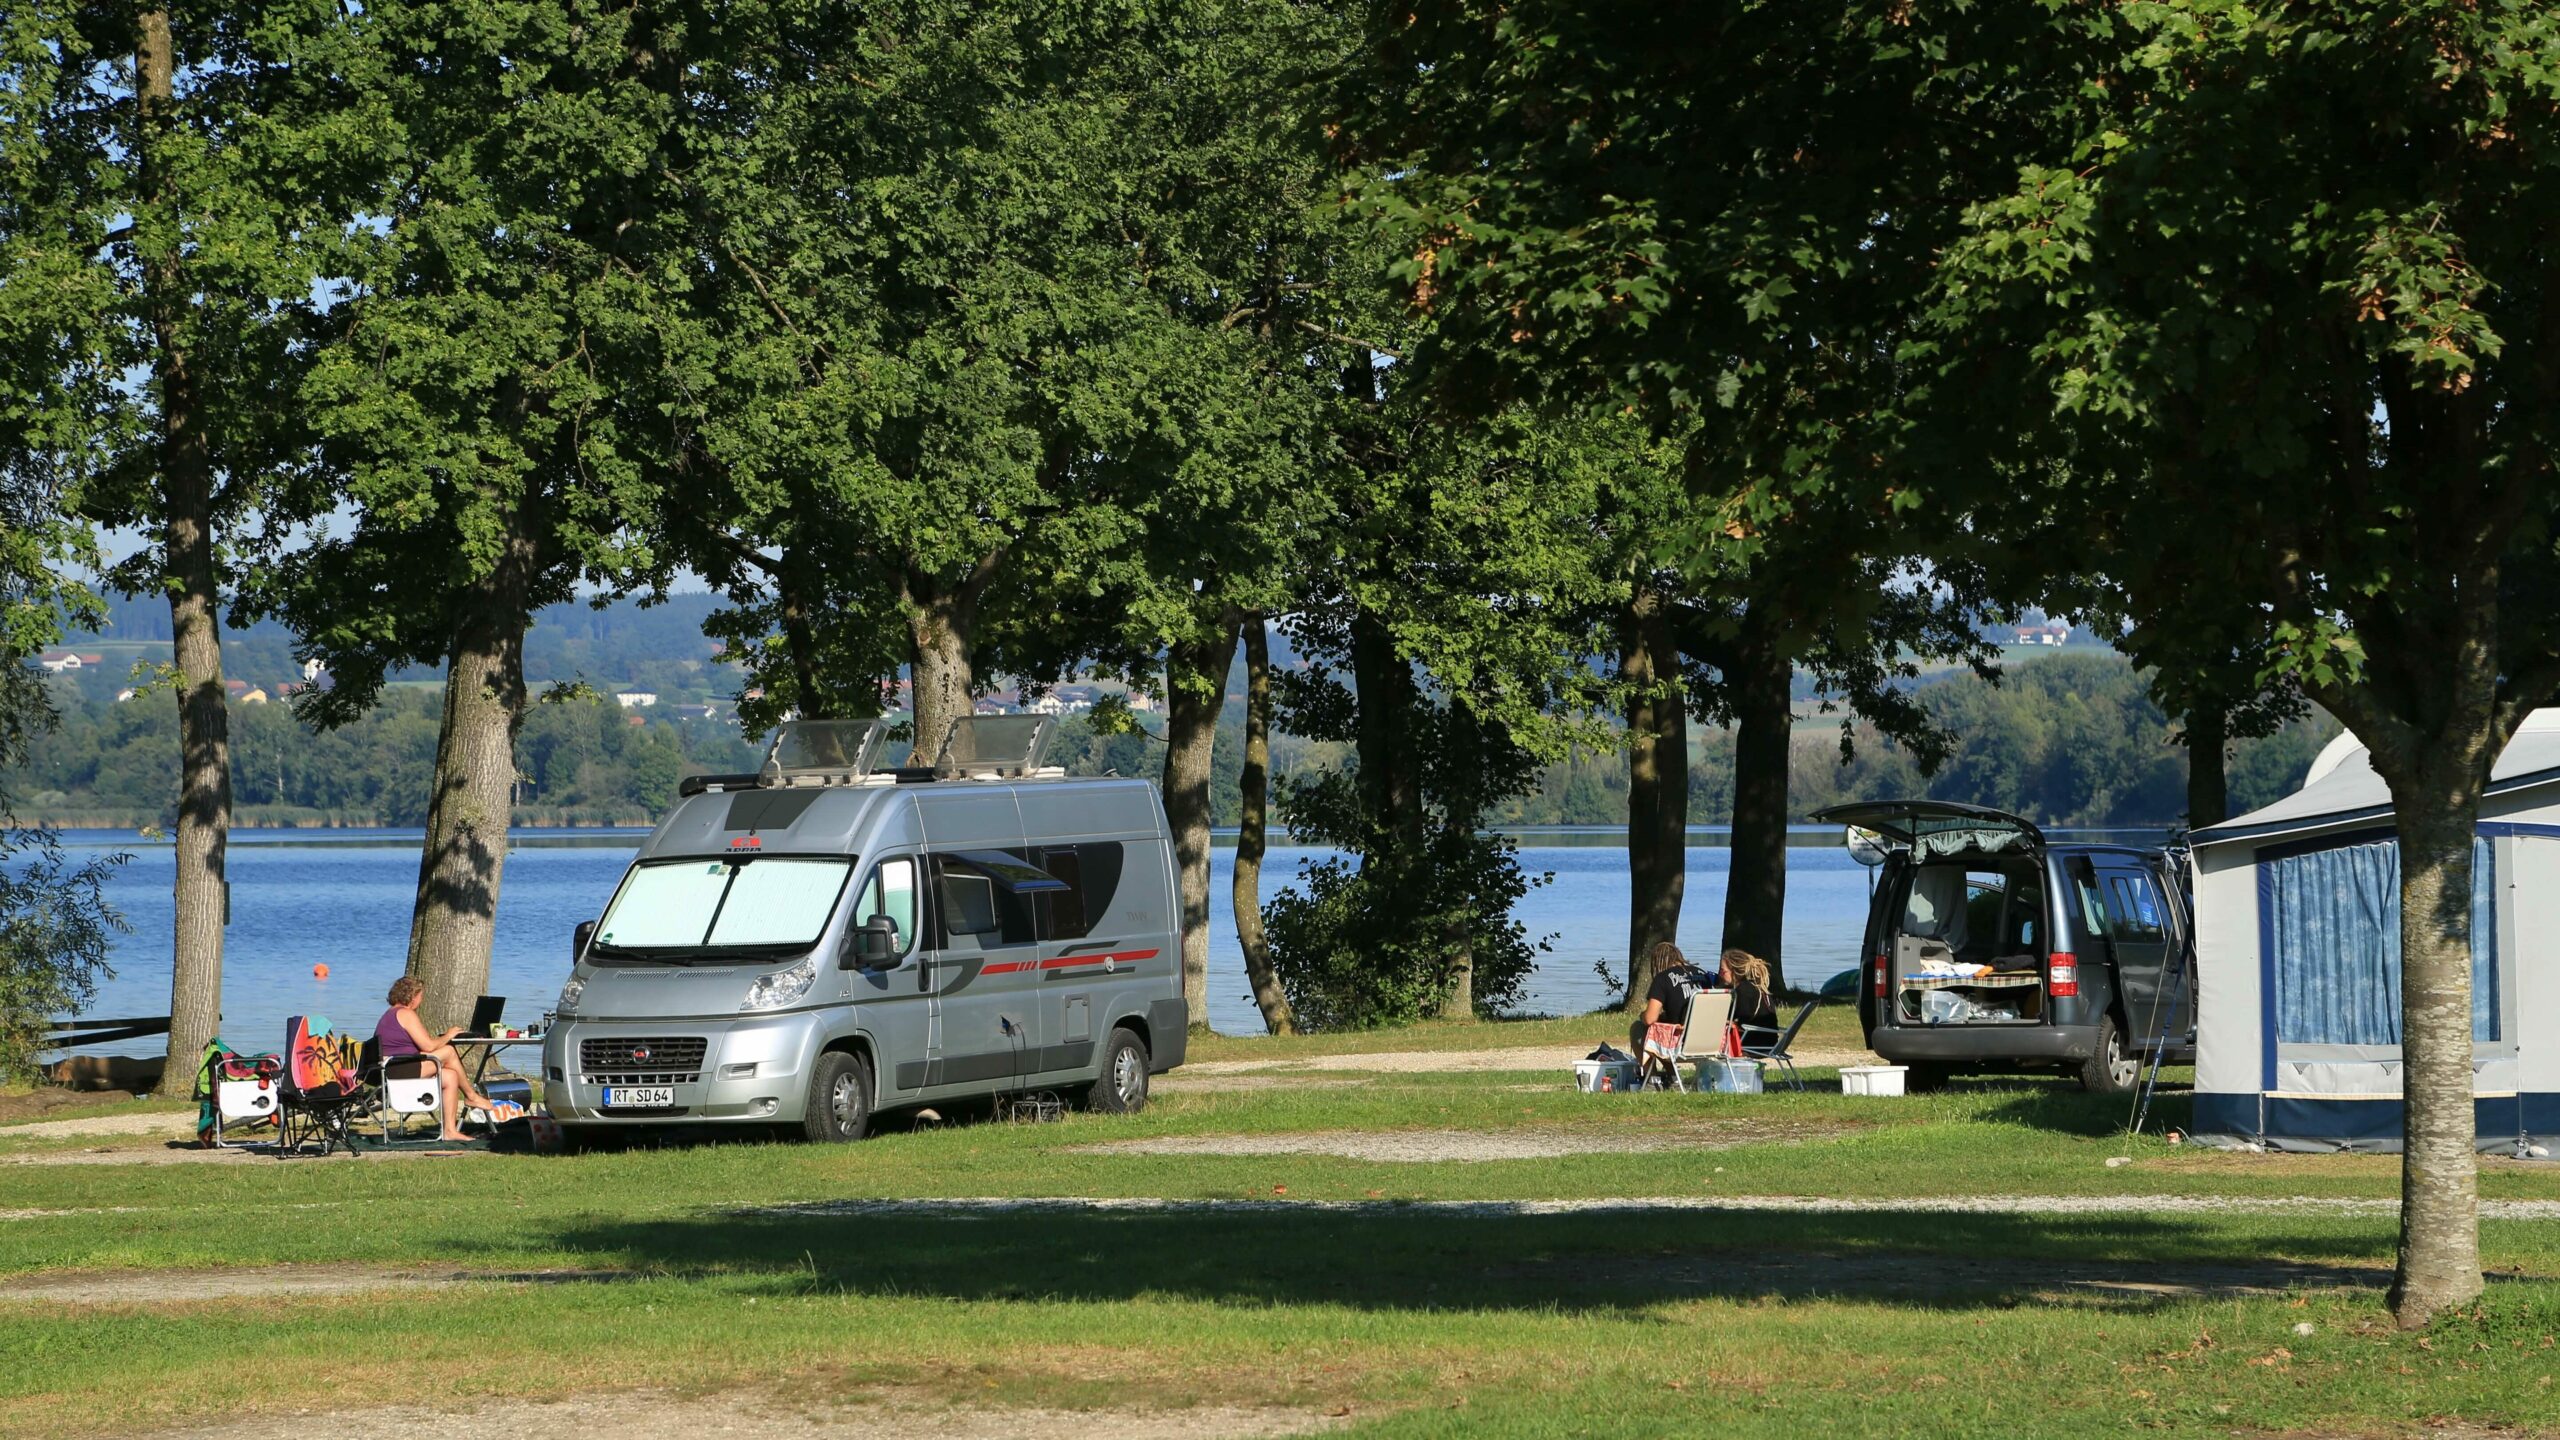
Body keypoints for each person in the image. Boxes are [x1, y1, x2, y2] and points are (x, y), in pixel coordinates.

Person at [377, 976, 521, 1141]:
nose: (421, 1000)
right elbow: (429, 1047)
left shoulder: (391, 1014)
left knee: (451, 1077)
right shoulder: (405, 1013)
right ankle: (471, 1096)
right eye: (420, 996)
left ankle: (449, 1131)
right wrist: (449, 1035)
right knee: (449, 1051)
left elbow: (420, 1046)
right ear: (412, 996)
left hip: (396, 1067)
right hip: (398, 1069)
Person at [1630, 941, 1713, 1077]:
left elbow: (1650, 1019)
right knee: (1665, 1026)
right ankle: (1673, 1078)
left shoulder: (1663, 978)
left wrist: (1642, 1015)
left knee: (1638, 1029)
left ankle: (1653, 1079)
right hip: (1710, 1041)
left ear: (1658, 963)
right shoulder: (1701, 974)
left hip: (1681, 1044)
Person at [1718, 949, 1779, 1033]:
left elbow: (1742, 1022)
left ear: (1735, 971)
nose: (1720, 974)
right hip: (1768, 1039)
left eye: (1723, 971)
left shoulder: (1744, 991)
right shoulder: (1757, 986)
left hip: (1755, 1041)